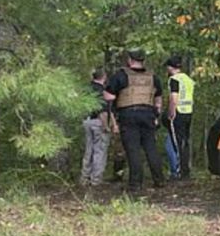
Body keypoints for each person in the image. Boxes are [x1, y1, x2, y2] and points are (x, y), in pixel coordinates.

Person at [103, 50, 166, 193]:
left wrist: (112, 118)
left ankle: (135, 184)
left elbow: (108, 96)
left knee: (133, 149)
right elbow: (158, 99)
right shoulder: (152, 77)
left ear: (130, 60)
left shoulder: (121, 75)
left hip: (128, 114)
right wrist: (156, 115)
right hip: (148, 114)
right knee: (151, 148)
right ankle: (159, 179)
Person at [165, 56, 195, 180]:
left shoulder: (174, 79)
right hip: (188, 112)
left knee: (176, 143)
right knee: (184, 142)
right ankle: (185, 171)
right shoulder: (188, 79)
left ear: (170, 67)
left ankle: (178, 171)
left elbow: (174, 98)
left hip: (178, 113)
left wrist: (171, 112)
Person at [80, 68, 111, 186]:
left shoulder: (86, 89)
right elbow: (102, 110)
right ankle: (96, 179)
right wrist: (106, 125)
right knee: (100, 150)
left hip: (87, 120)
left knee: (89, 149)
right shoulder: (101, 90)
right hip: (98, 122)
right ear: (104, 76)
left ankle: (84, 177)